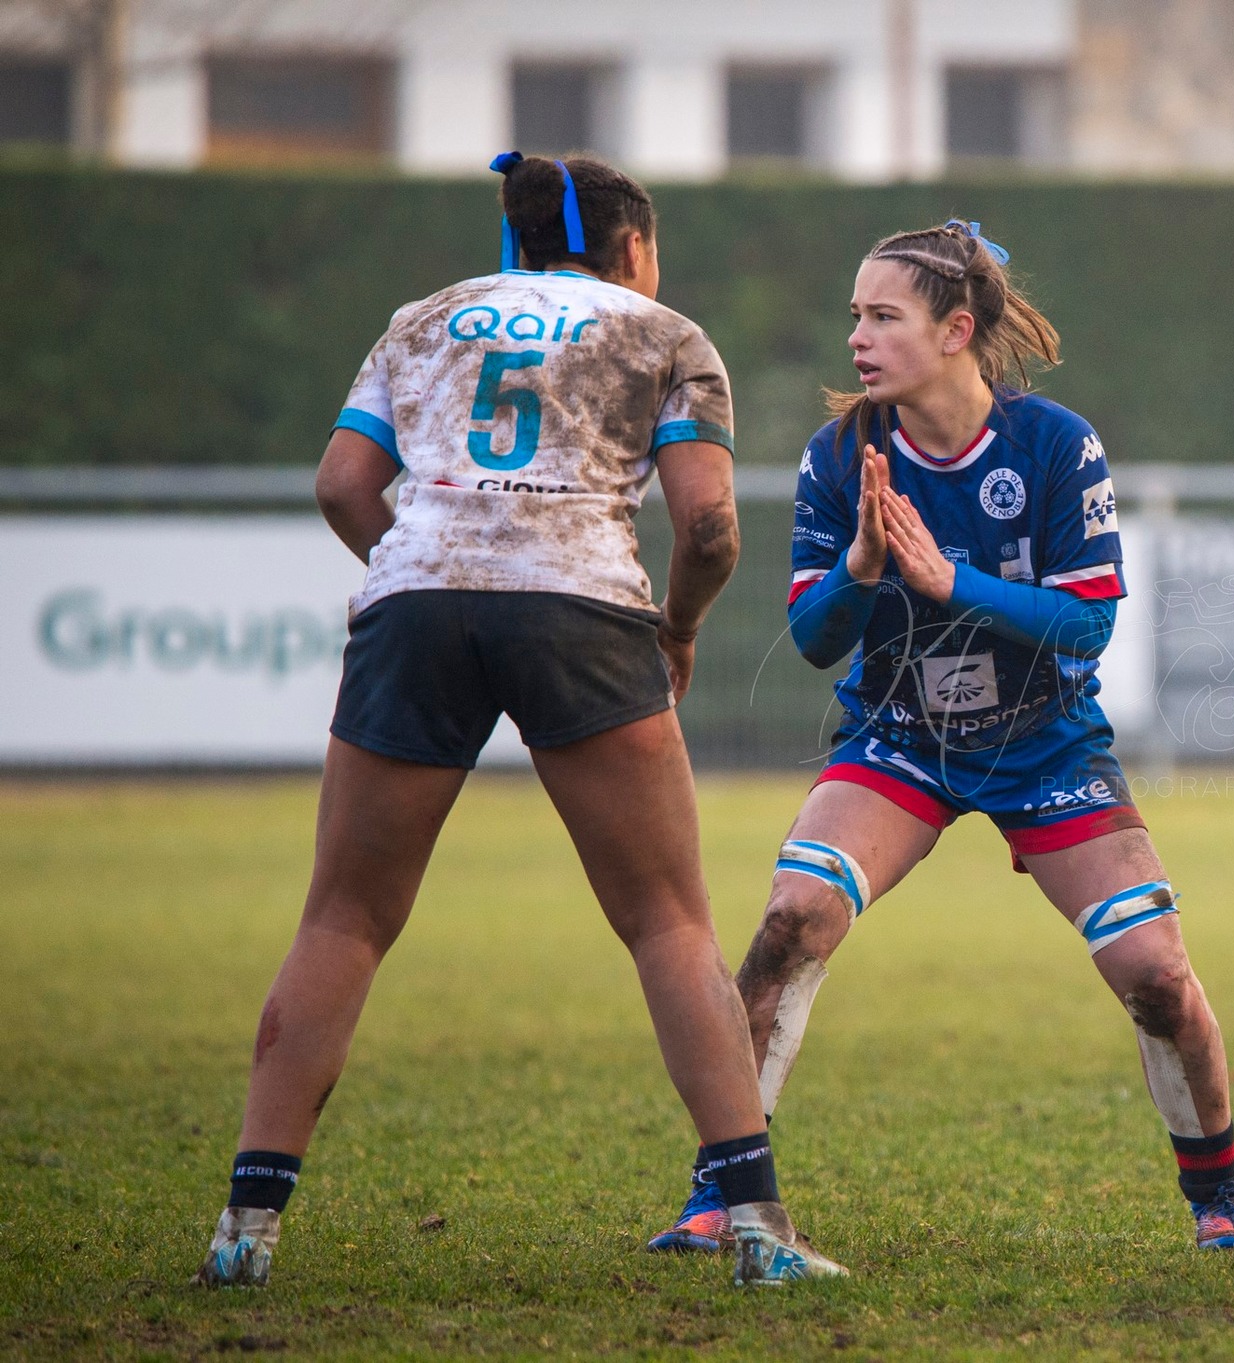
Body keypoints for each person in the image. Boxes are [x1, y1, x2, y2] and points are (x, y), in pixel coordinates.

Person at [193, 151, 840, 1290]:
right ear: (635, 247)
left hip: (415, 602)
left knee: (343, 919)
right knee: (666, 925)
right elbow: (708, 531)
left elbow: (343, 484)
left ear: (518, 243)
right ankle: (754, 1229)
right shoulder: (663, 332)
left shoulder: (423, 319)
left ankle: (244, 1232)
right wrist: (676, 632)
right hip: (582, 606)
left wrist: (426, 570)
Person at [646, 220, 1234, 1257]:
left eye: (881, 316)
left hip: (1045, 747)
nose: (857, 336)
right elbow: (811, 642)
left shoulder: (1054, 445)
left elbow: (1088, 624)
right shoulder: (840, 456)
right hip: (900, 740)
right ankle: (722, 1193)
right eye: (855, 315)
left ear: (953, 329)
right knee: (793, 914)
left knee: (1157, 975)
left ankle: (1220, 1201)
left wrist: (952, 585)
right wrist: (857, 570)